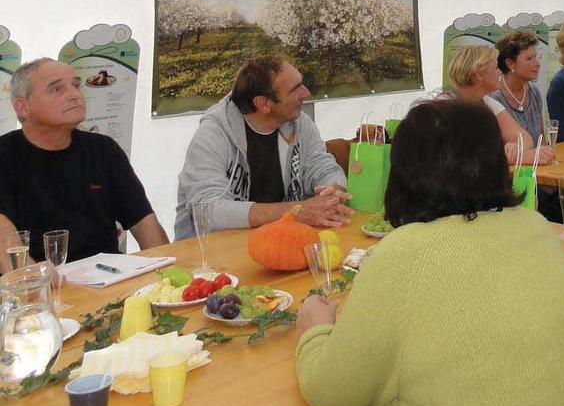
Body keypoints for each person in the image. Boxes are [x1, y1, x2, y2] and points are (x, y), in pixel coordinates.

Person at [295, 99, 564, 406]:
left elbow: (334, 396)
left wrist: (313, 330)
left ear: (404, 172)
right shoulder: (534, 225)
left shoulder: (404, 254)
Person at [0, 58, 168, 266]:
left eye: (76, 85)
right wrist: (35, 283)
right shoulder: (5, 155)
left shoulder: (104, 149)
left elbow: (144, 223)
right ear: (23, 107)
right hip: (42, 287)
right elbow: (4, 240)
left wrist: (164, 277)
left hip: (110, 281)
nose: (75, 95)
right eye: (57, 89)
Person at [174, 56, 352, 241]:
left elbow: (324, 166)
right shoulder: (213, 134)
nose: (305, 93)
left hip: (278, 241)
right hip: (209, 254)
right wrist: (296, 211)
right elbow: (207, 210)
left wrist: (333, 191)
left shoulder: (299, 122)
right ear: (264, 104)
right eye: (295, 90)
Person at [449, 45, 553, 164]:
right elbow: (467, 157)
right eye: (495, 68)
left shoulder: (488, 103)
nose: (500, 72)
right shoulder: (447, 108)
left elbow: (524, 137)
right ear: (479, 75)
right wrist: (516, 157)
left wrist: (516, 148)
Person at [489, 31, 546, 144]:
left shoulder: (534, 91)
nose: (537, 64)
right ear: (510, 64)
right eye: (529, 58)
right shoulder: (493, 97)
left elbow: (541, 139)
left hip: (536, 160)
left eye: (536, 57)